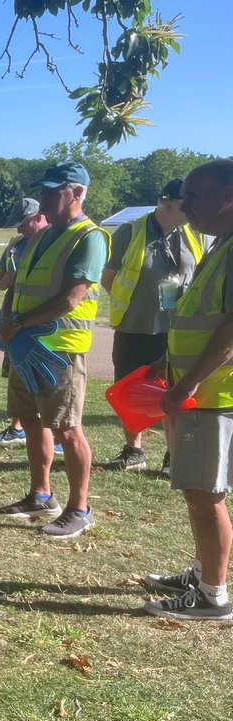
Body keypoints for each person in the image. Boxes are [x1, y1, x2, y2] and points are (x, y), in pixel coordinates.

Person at [0, 160, 108, 538]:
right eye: (42, 190)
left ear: (76, 193)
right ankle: (41, 494)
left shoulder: (90, 237)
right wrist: (7, 322)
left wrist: (19, 324)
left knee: (67, 429)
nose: (43, 197)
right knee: (30, 422)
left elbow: (72, 298)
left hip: (60, 350)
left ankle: (80, 508)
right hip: (24, 347)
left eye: (52, 190)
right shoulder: (41, 235)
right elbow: (17, 283)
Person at [142, 159, 233, 620]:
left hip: (212, 397)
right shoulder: (221, 245)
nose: (184, 205)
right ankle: (203, 571)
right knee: (198, 490)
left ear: (228, 198)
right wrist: (169, 362)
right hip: (198, 391)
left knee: (204, 493)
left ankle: (212, 596)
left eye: (194, 196)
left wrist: (189, 383)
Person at [100, 177, 204, 473]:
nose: (194, 208)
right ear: (168, 203)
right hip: (134, 325)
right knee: (130, 388)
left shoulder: (197, 234)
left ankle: (174, 456)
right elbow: (109, 278)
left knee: (175, 390)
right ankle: (134, 451)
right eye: (188, 203)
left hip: (177, 330)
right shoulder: (129, 232)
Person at [0, 198, 49, 445]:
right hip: (14, 321)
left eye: (22, 223)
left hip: (42, 323)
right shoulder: (16, 245)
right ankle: (17, 428)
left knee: (44, 382)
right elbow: (0, 282)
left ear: (37, 217)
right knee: (16, 375)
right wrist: (12, 276)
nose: (18, 229)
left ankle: (51, 434)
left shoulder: (51, 243)